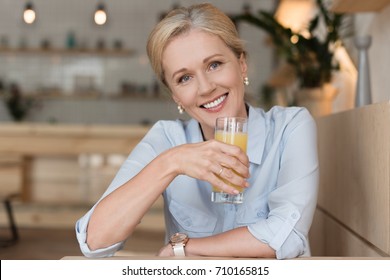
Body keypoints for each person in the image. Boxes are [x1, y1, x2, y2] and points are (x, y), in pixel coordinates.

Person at [75, 3, 319, 259]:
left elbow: (287, 236)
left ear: (242, 64)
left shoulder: (290, 127)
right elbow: (95, 241)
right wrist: (172, 162)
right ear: (174, 95)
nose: (205, 88)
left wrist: (185, 247)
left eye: (214, 65)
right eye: (184, 78)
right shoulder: (167, 139)